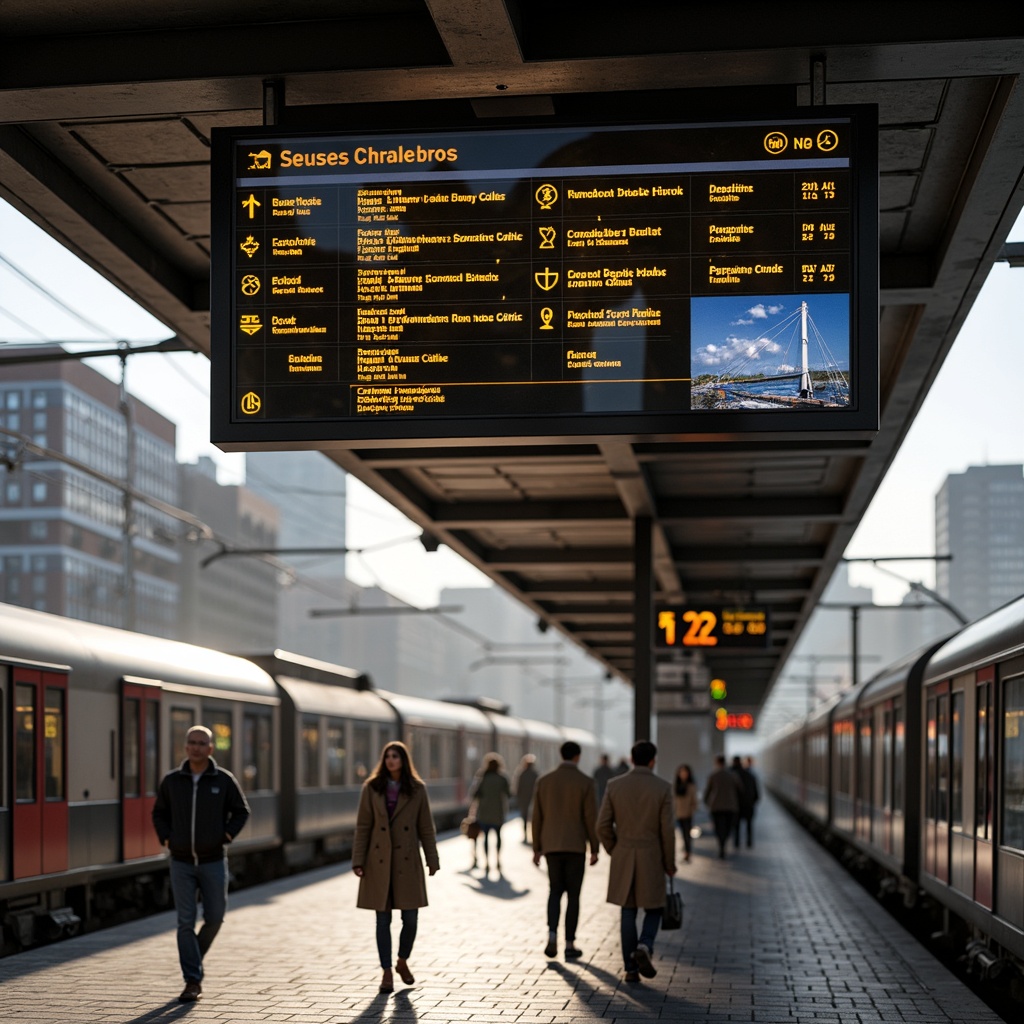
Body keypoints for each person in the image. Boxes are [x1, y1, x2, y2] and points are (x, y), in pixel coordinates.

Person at [152, 725, 250, 1004]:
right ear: (186, 747)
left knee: (215, 917)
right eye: (191, 742)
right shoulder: (172, 781)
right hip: (181, 861)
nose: (196, 747)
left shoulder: (223, 780)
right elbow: (159, 814)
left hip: (213, 861)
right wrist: (168, 839)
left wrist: (226, 836)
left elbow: (242, 811)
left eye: (201, 743)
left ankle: (192, 956)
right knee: (185, 921)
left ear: (210, 748)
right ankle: (192, 981)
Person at [352, 741, 439, 994]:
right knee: (382, 920)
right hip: (378, 863)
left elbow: (426, 827)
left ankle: (402, 960)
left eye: (396, 756)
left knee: (410, 919)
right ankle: (386, 972)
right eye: (387, 756)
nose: (391, 760)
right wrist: (358, 860)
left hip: (407, 862)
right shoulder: (371, 788)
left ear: (403, 760)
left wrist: (432, 859)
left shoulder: (417, 789)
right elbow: (363, 827)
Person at [597, 740, 675, 983]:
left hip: (624, 855)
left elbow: (602, 826)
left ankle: (630, 969)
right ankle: (645, 944)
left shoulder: (614, 785)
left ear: (632, 759)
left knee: (628, 910)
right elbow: (667, 831)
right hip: (651, 855)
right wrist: (669, 862)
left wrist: (615, 850)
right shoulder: (662, 788)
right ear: (653, 761)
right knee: (655, 907)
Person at [532, 741, 600, 960]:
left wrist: (537, 848)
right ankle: (570, 944)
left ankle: (552, 934)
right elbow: (591, 818)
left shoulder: (544, 781)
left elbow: (537, 818)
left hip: (551, 847)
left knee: (554, 891)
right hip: (575, 847)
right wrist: (595, 848)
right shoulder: (586, 782)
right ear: (577, 757)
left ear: (562, 755)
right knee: (573, 895)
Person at [470, 753, 510, 873]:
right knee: (498, 836)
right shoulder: (502, 778)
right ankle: (498, 860)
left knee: (486, 837)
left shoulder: (482, 777)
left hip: (484, 812)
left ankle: (487, 862)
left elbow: (474, 794)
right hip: (498, 812)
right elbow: (509, 794)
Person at [703, 754, 742, 859]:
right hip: (730, 806)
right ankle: (723, 843)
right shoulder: (733, 775)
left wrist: (706, 802)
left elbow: (708, 791)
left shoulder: (713, 775)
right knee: (728, 827)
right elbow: (740, 790)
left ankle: (721, 844)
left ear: (716, 763)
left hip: (716, 806)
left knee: (718, 827)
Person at [733, 756, 761, 848]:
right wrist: (754, 800)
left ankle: (737, 842)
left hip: (738, 804)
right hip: (749, 804)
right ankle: (749, 841)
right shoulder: (751, 776)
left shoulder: (736, 775)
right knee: (749, 825)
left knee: (737, 825)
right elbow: (756, 791)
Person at [673, 764, 699, 863]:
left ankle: (687, 852)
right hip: (678, 813)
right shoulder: (676, 786)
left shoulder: (691, 786)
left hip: (688, 814)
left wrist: (692, 810)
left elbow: (694, 801)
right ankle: (685, 850)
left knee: (687, 835)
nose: (683, 774)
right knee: (681, 834)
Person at [512, 754, 539, 843]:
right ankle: (533, 835)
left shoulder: (521, 774)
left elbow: (518, 788)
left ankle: (525, 836)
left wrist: (518, 798)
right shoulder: (535, 774)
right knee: (533, 818)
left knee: (524, 818)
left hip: (524, 800)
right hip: (533, 799)